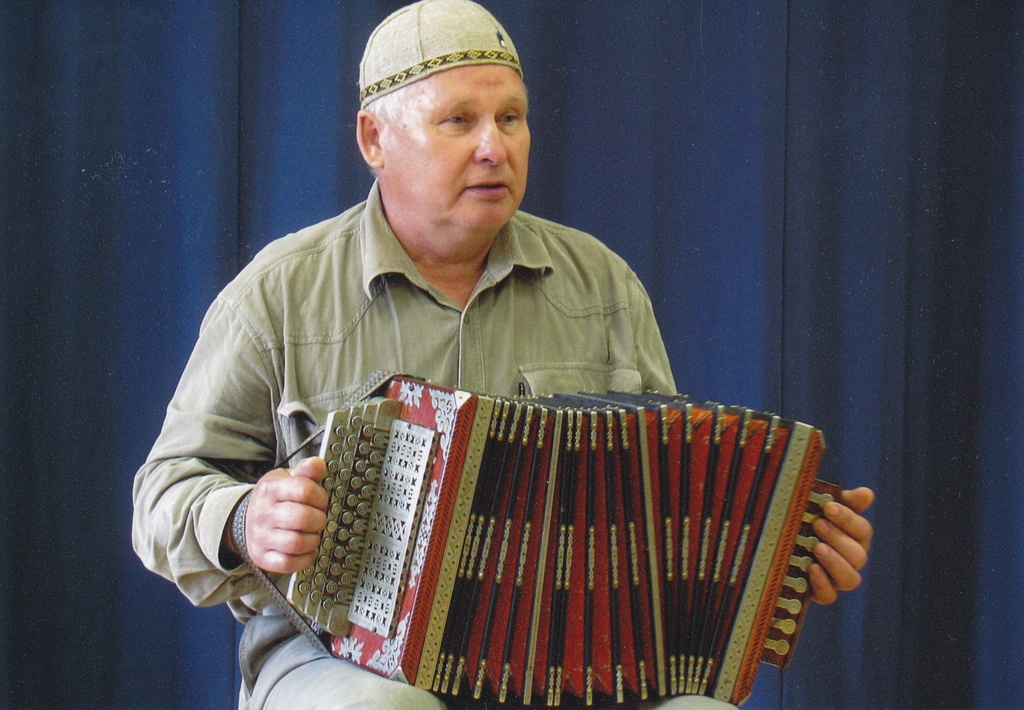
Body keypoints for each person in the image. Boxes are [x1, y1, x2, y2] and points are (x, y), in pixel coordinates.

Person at [132, 1, 874, 708]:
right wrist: (242, 519)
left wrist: (782, 552)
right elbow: (161, 494)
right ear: (373, 139)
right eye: (458, 120)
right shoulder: (278, 295)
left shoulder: (603, 285)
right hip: (335, 659)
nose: (495, 146)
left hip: (574, 671)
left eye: (511, 118)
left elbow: (668, 520)